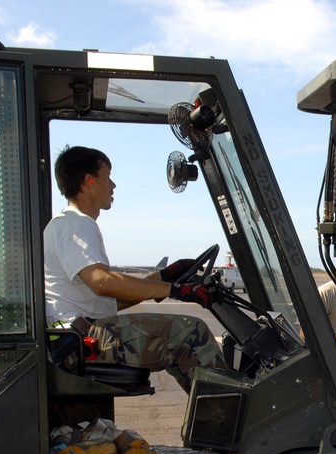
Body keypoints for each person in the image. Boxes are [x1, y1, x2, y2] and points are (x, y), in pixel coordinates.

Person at [44, 146, 226, 392]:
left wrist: (165, 276)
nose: (113, 185)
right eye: (107, 177)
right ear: (89, 181)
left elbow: (111, 300)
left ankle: (211, 418)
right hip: (79, 341)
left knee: (181, 348)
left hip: (75, 336)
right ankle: (225, 420)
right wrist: (175, 289)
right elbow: (102, 282)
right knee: (193, 333)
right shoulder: (76, 223)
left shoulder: (67, 224)